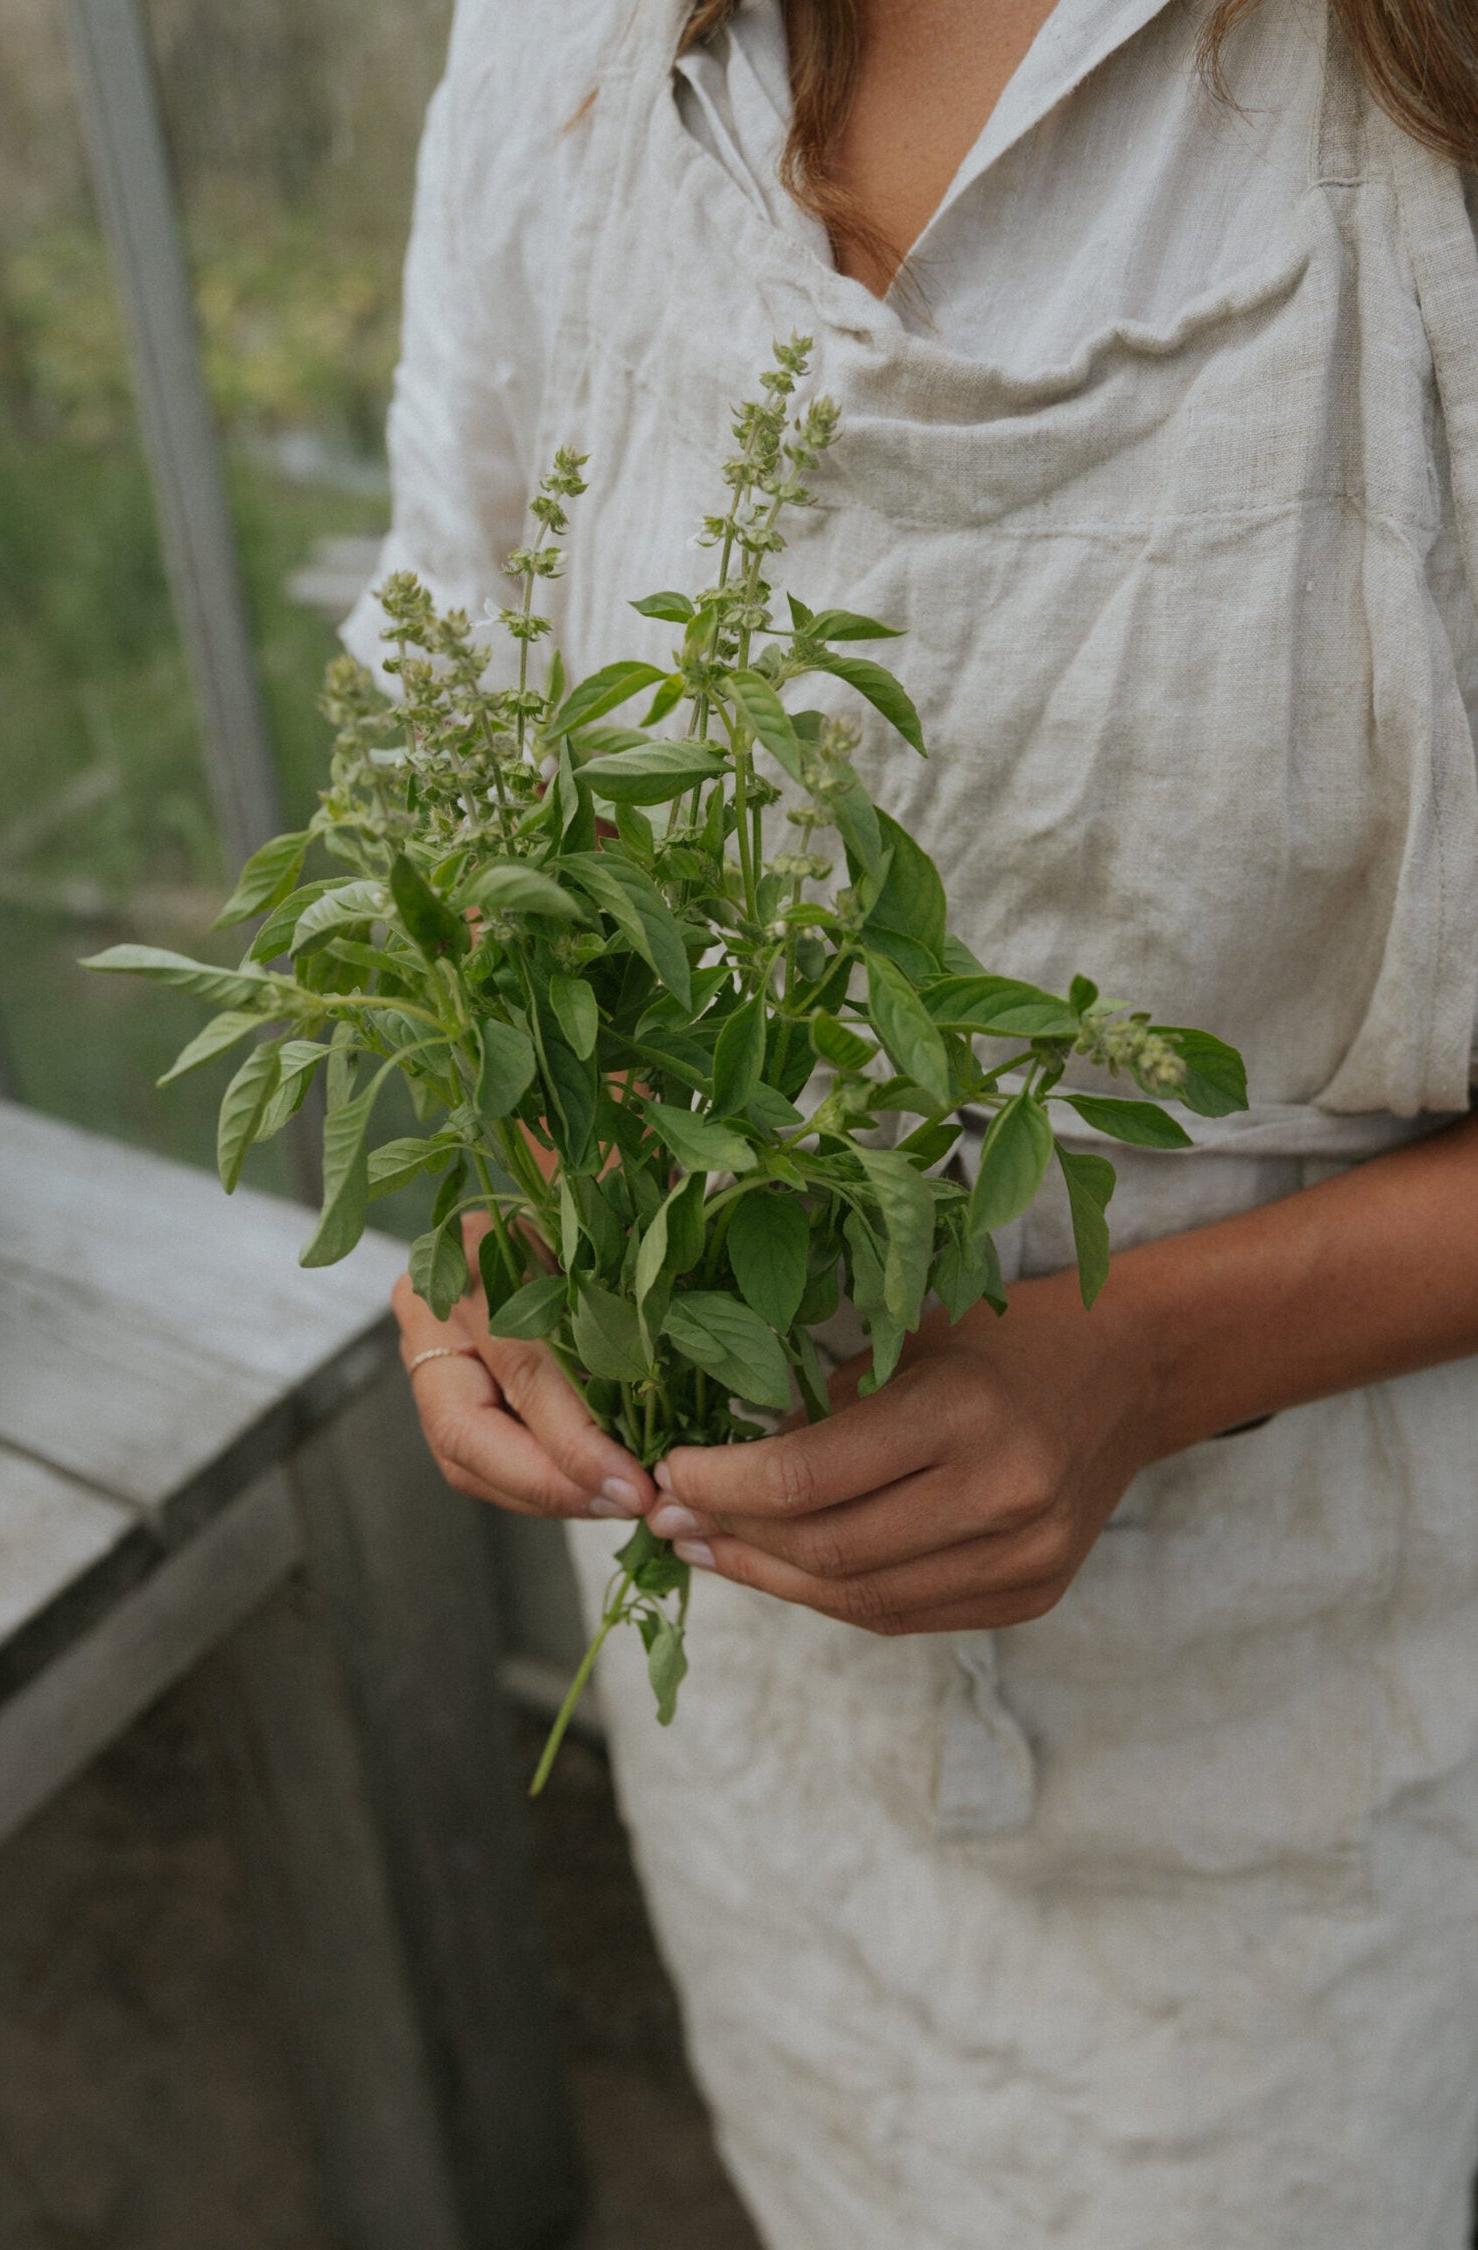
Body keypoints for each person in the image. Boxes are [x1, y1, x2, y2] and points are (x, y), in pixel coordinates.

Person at [345, 0, 1478, 2241]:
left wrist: (1148, 1355)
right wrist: (533, 1165)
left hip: (1289, 1708)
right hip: (754, 1678)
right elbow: (446, 693)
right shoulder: (570, 44)